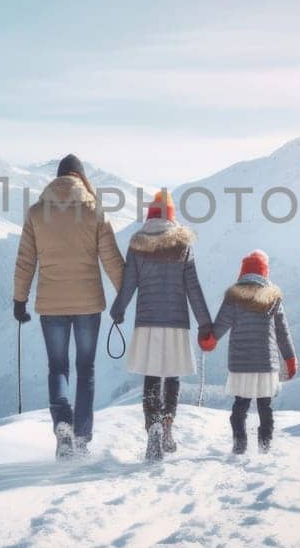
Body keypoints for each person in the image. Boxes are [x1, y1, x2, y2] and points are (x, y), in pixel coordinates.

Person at [13, 154, 126, 458]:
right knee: (85, 369)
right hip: (89, 304)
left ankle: (62, 422)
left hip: (51, 305)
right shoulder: (94, 210)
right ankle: (82, 438)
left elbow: (26, 261)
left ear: (58, 178)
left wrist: (19, 300)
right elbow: (112, 258)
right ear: (81, 177)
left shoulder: (37, 213)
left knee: (58, 367)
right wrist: (124, 295)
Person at [110, 190, 214, 462]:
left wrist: (118, 310)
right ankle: (168, 424)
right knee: (173, 376)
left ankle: (153, 427)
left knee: (152, 377)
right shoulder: (183, 245)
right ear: (172, 216)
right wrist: (205, 324)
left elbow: (129, 284)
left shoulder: (137, 245)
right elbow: (194, 288)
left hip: (147, 322)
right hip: (177, 322)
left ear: (150, 216)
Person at [203, 250, 299, 455]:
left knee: (240, 404)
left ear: (242, 272)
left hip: (241, 362)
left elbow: (221, 325)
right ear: (265, 273)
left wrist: (210, 341)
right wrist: (290, 358)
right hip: (266, 362)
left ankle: (240, 444)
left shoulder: (234, 298)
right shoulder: (273, 299)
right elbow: (283, 333)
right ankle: (265, 446)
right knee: (265, 405)